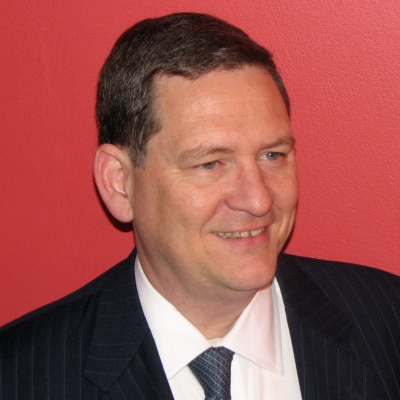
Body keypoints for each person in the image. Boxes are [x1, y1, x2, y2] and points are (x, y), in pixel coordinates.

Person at [0, 12, 399, 400]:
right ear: (120, 184)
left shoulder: (386, 322)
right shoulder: (21, 375)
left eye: (273, 156)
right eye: (210, 164)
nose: (259, 200)